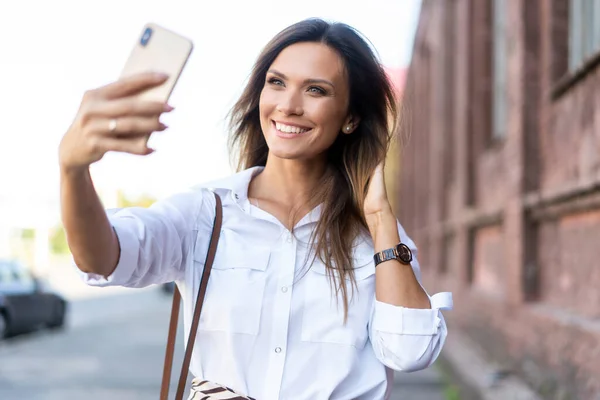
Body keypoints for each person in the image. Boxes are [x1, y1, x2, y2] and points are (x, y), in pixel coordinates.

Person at [59, 18, 452, 400]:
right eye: (276, 83)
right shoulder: (205, 212)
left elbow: (410, 351)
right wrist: (74, 170)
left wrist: (381, 218)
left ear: (350, 118)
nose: (288, 105)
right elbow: (102, 259)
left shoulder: (377, 240)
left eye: (316, 90)